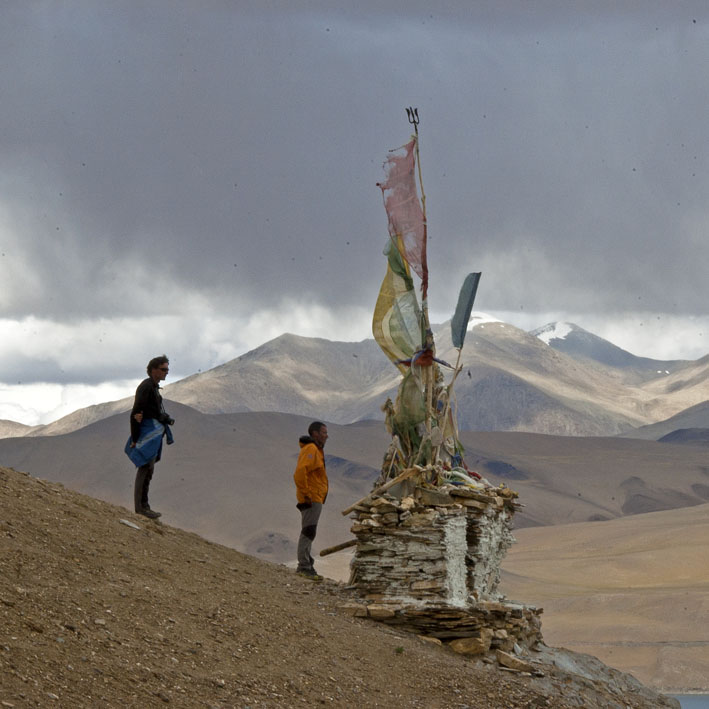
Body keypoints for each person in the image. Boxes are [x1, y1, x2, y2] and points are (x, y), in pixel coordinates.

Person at [124, 355, 175, 519]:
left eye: (167, 369)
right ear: (154, 370)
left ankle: (144, 506)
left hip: (152, 432)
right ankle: (141, 508)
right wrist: (135, 438)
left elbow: (152, 411)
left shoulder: (153, 387)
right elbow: (136, 412)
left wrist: (164, 418)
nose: (166, 372)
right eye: (163, 369)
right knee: (145, 467)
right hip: (146, 433)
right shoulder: (146, 387)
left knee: (149, 469)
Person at [293, 421, 329, 580]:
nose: (326, 436)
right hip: (312, 497)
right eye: (323, 433)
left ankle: (307, 562)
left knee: (310, 529)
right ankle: (304, 565)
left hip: (315, 496)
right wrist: (306, 494)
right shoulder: (311, 449)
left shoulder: (316, 450)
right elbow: (300, 472)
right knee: (308, 530)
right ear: (315, 434)